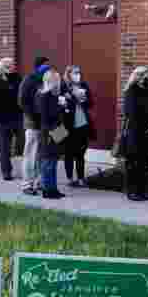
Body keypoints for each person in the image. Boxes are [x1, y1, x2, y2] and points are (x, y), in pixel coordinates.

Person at [120, 66, 148, 201]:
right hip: (135, 133)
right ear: (137, 75)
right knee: (134, 163)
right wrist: (146, 120)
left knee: (145, 163)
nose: (147, 77)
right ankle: (132, 191)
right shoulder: (131, 90)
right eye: (144, 74)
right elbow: (130, 113)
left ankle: (143, 190)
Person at [0, 57, 24, 181]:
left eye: (12, 64)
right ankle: (6, 172)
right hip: (1, 121)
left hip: (17, 118)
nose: (12, 66)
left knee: (24, 144)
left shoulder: (18, 79)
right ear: (2, 67)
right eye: (8, 65)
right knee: (4, 148)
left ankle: (28, 169)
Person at [18, 56, 51, 195]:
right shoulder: (29, 80)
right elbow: (22, 102)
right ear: (39, 67)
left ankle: (38, 182)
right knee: (30, 153)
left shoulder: (45, 80)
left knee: (40, 154)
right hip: (32, 123)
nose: (48, 69)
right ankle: (27, 184)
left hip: (43, 124)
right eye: (45, 66)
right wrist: (34, 117)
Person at [62, 65, 94, 187]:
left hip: (82, 123)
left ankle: (81, 178)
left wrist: (84, 99)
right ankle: (69, 178)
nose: (78, 75)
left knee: (81, 153)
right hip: (68, 124)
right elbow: (60, 104)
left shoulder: (84, 85)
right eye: (75, 73)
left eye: (79, 72)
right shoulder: (63, 86)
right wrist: (70, 100)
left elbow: (90, 103)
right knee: (68, 152)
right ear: (68, 74)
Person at [37, 68, 66, 199]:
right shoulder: (43, 95)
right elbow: (45, 117)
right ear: (49, 81)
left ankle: (53, 188)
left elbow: (59, 114)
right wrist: (60, 106)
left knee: (54, 161)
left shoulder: (55, 95)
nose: (58, 82)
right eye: (56, 80)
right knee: (47, 162)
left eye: (58, 79)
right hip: (49, 131)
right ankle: (46, 189)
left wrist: (63, 106)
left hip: (58, 129)